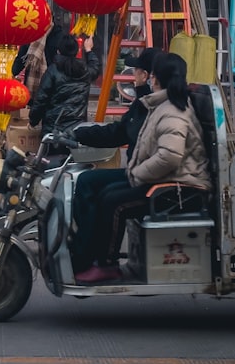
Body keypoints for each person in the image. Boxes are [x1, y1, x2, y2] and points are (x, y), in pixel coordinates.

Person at [76, 52, 212, 284]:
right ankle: (87, 255)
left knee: (113, 202)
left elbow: (169, 157)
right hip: (168, 179)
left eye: (150, 75)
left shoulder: (173, 112)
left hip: (181, 188)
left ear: (155, 78)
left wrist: (136, 174)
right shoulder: (160, 104)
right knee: (101, 189)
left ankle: (107, 264)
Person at [67, 47, 158, 272]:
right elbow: (118, 132)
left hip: (150, 177)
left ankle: (101, 260)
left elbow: (123, 134)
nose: (133, 76)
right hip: (140, 170)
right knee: (86, 181)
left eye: (135, 71)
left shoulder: (153, 107)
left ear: (146, 76)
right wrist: (78, 135)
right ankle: (84, 248)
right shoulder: (142, 104)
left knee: (109, 197)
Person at [27, 33, 102, 144]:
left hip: (53, 130)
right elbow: (95, 68)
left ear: (58, 51)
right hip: (77, 130)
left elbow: (41, 100)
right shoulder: (84, 71)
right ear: (77, 51)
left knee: (52, 160)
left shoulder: (52, 71)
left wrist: (33, 121)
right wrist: (88, 50)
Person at [12, 20, 67, 99]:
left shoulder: (30, 35)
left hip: (34, 90)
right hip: (54, 87)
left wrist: (14, 71)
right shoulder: (60, 35)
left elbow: (17, 66)